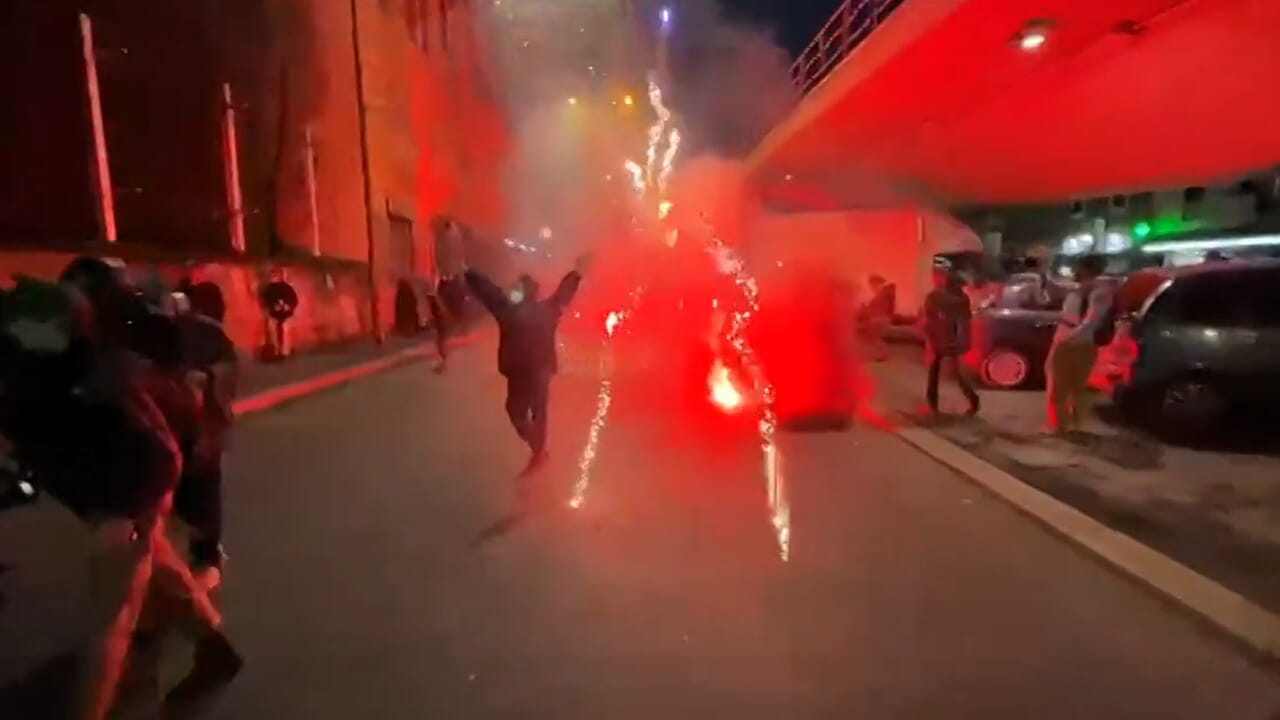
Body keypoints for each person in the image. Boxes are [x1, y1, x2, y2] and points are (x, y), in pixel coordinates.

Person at [1, 266, 240, 719]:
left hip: (128, 478)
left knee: (111, 621)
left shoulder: (52, 356)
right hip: (115, 473)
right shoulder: (36, 347)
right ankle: (214, 648)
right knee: (154, 561)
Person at [464, 255, 590, 476]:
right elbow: (564, 293)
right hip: (538, 370)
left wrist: (468, 273)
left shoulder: (508, 310)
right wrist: (577, 273)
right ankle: (539, 452)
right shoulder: (546, 310)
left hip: (521, 371)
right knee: (536, 413)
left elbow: (489, 292)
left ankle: (538, 452)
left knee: (518, 412)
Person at [1045, 253, 1114, 434]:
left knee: (1065, 386)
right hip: (1071, 339)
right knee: (1068, 386)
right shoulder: (1081, 289)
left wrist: (1069, 338)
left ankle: (1065, 427)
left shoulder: (1098, 292)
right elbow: (1054, 286)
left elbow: (1092, 321)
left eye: (1077, 267)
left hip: (1077, 342)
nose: (1073, 271)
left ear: (1086, 269)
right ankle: (1066, 425)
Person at [920, 264, 980, 416]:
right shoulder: (962, 299)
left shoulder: (936, 297)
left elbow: (929, 319)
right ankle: (973, 400)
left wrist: (928, 337)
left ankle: (933, 405)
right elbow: (966, 320)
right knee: (955, 373)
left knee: (935, 372)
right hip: (954, 338)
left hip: (940, 337)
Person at [862, 274, 894, 361]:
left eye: (872, 284)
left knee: (875, 337)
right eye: (871, 285)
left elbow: (883, 309)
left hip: (880, 320)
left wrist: (873, 317)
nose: (871, 287)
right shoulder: (880, 295)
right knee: (875, 338)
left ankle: (884, 354)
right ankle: (883, 354)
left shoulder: (882, 295)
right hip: (880, 319)